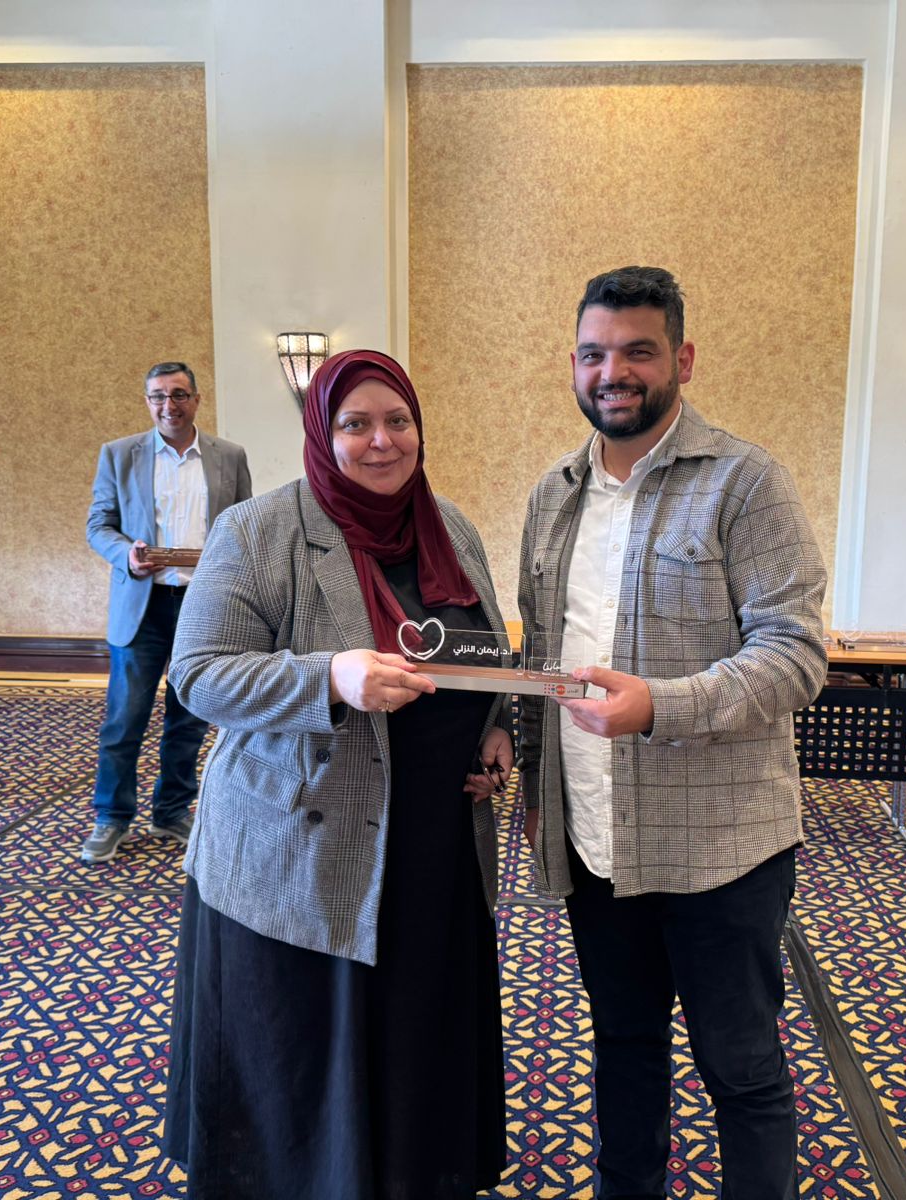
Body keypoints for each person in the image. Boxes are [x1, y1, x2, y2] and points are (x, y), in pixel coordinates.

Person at [163, 349, 512, 1199]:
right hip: (301, 849)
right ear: (322, 433)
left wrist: (498, 730)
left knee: (414, 1041)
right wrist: (327, 678)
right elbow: (198, 674)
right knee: (308, 1060)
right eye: (356, 424)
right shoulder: (258, 532)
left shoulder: (452, 529)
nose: (382, 441)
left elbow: (485, 654)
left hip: (433, 848)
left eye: (398, 421)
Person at [517, 266, 829, 1199]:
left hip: (720, 847)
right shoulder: (553, 494)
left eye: (637, 352)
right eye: (593, 354)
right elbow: (541, 655)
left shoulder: (745, 482)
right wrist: (525, 773)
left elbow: (794, 655)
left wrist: (661, 706)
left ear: (682, 360)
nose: (612, 372)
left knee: (741, 1067)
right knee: (624, 1046)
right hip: (595, 838)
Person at [81, 361, 253, 865]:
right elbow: (98, 525)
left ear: (196, 399)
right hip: (144, 605)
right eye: (157, 396)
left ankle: (172, 811)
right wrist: (126, 555)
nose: (168, 405)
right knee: (124, 720)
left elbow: (245, 525)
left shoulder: (229, 456)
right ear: (147, 402)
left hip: (205, 607)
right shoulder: (119, 454)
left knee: (189, 719)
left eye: (178, 394)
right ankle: (112, 817)